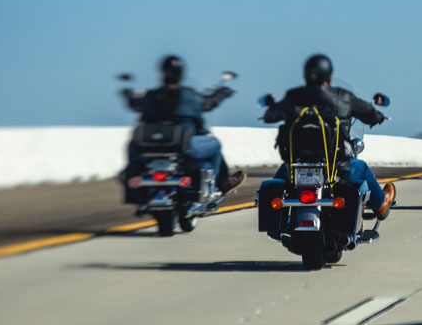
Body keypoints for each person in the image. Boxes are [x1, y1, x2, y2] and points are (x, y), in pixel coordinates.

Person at [262, 54, 396, 220]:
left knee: (278, 181)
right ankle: (380, 204)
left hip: (296, 166)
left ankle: (276, 216)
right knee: (362, 168)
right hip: (337, 165)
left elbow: (271, 115)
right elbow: (369, 114)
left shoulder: (294, 96)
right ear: (329, 76)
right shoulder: (343, 96)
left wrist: (271, 109)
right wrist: (378, 116)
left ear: (305, 75)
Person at [121, 55, 245, 194]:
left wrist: (128, 95)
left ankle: (129, 175)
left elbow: (135, 104)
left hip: (151, 146)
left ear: (161, 73)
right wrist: (222, 93)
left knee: (132, 145)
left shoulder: (151, 95)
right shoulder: (189, 95)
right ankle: (220, 183)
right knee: (214, 143)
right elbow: (209, 103)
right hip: (184, 146)